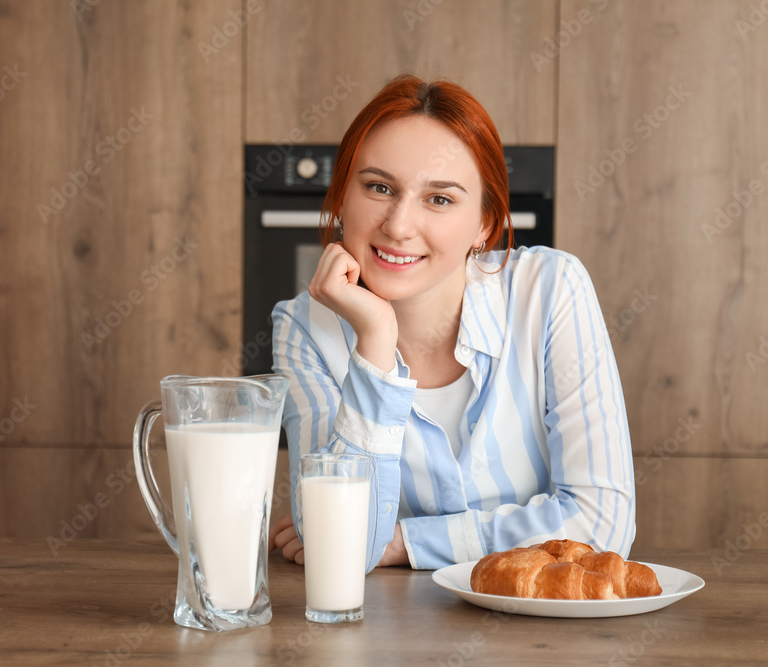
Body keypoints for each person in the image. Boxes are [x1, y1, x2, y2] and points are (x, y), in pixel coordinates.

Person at [269, 74, 634, 573]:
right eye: (378, 187)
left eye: (439, 199)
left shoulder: (551, 290)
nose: (398, 226)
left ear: (485, 223)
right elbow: (337, 543)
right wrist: (375, 340)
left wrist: (402, 542)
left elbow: (602, 522)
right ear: (341, 197)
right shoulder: (304, 329)